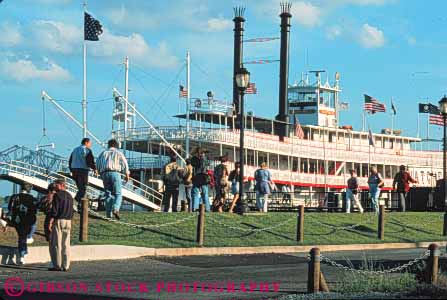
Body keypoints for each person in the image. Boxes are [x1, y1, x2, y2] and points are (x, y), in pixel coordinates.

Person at [96, 139, 130, 220]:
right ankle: (116, 208)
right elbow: (125, 163)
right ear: (116, 145)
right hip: (115, 173)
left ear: (108, 145)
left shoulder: (103, 153)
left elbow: (97, 163)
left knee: (108, 194)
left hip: (104, 173)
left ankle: (108, 215)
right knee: (118, 193)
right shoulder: (118, 153)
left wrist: (98, 171)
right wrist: (127, 173)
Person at [7, 183, 39, 265]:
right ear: (29, 189)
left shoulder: (14, 197)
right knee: (24, 237)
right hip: (29, 220)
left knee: (21, 237)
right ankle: (28, 239)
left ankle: (22, 255)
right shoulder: (32, 198)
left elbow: (9, 208)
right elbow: (35, 210)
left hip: (17, 221)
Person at [48, 179, 74, 271]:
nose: (55, 186)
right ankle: (66, 265)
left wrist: (51, 221)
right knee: (66, 244)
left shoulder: (57, 195)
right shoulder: (70, 196)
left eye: (56, 184)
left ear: (62, 185)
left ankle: (57, 265)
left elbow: (55, 210)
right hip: (68, 220)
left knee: (56, 243)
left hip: (59, 220)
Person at [69, 138, 97, 203]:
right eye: (90, 143)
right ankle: (75, 202)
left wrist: (71, 169)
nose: (90, 145)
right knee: (83, 188)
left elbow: (70, 160)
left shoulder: (75, 150)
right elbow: (89, 161)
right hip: (83, 170)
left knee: (80, 187)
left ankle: (78, 203)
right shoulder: (87, 150)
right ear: (86, 142)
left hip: (74, 170)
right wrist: (94, 168)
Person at [191, 147, 210, 212]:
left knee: (195, 192)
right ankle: (207, 208)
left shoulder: (195, 159)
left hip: (197, 177)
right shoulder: (204, 159)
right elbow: (206, 166)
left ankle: (195, 208)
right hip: (203, 177)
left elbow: (194, 165)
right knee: (205, 193)